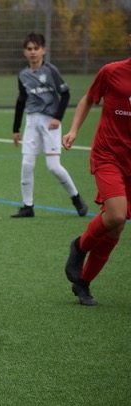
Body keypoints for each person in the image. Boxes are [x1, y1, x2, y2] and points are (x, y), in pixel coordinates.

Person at [62, 30, 131, 306]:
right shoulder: (111, 72)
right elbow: (89, 99)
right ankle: (79, 246)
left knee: (116, 228)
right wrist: (73, 130)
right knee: (116, 215)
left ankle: (83, 282)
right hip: (108, 155)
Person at [11, 33, 88, 218]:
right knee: (27, 164)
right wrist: (16, 128)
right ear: (24, 52)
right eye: (29, 49)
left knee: (53, 166)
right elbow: (21, 100)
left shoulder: (51, 71)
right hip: (31, 122)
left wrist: (58, 118)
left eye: (36, 48)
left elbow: (66, 94)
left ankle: (76, 198)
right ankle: (27, 206)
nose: (33, 52)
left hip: (50, 123)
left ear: (43, 50)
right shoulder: (23, 75)